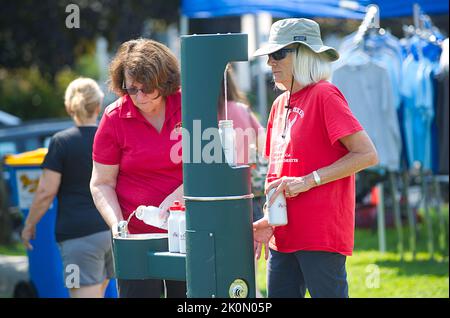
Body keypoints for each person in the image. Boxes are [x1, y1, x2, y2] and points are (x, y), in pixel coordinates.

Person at [252, 18, 379, 298]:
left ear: (303, 54)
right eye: (269, 56)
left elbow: (367, 154)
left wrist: (309, 181)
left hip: (320, 235)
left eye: (278, 54)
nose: (270, 62)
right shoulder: (278, 104)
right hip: (283, 237)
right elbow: (277, 173)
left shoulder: (325, 94)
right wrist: (268, 219)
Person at [90, 38, 185, 298]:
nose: (140, 97)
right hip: (136, 239)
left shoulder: (188, 105)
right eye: (132, 89)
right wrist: (118, 225)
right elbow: (101, 183)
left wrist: (179, 198)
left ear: (165, 82)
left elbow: (210, 168)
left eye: (148, 88)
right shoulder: (114, 117)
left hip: (188, 233)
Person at [21, 77, 113, 298]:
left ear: (69, 107)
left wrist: (29, 225)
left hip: (77, 240)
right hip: (111, 232)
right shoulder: (109, 136)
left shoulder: (61, 142)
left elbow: (45, 192)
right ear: (98, 107)